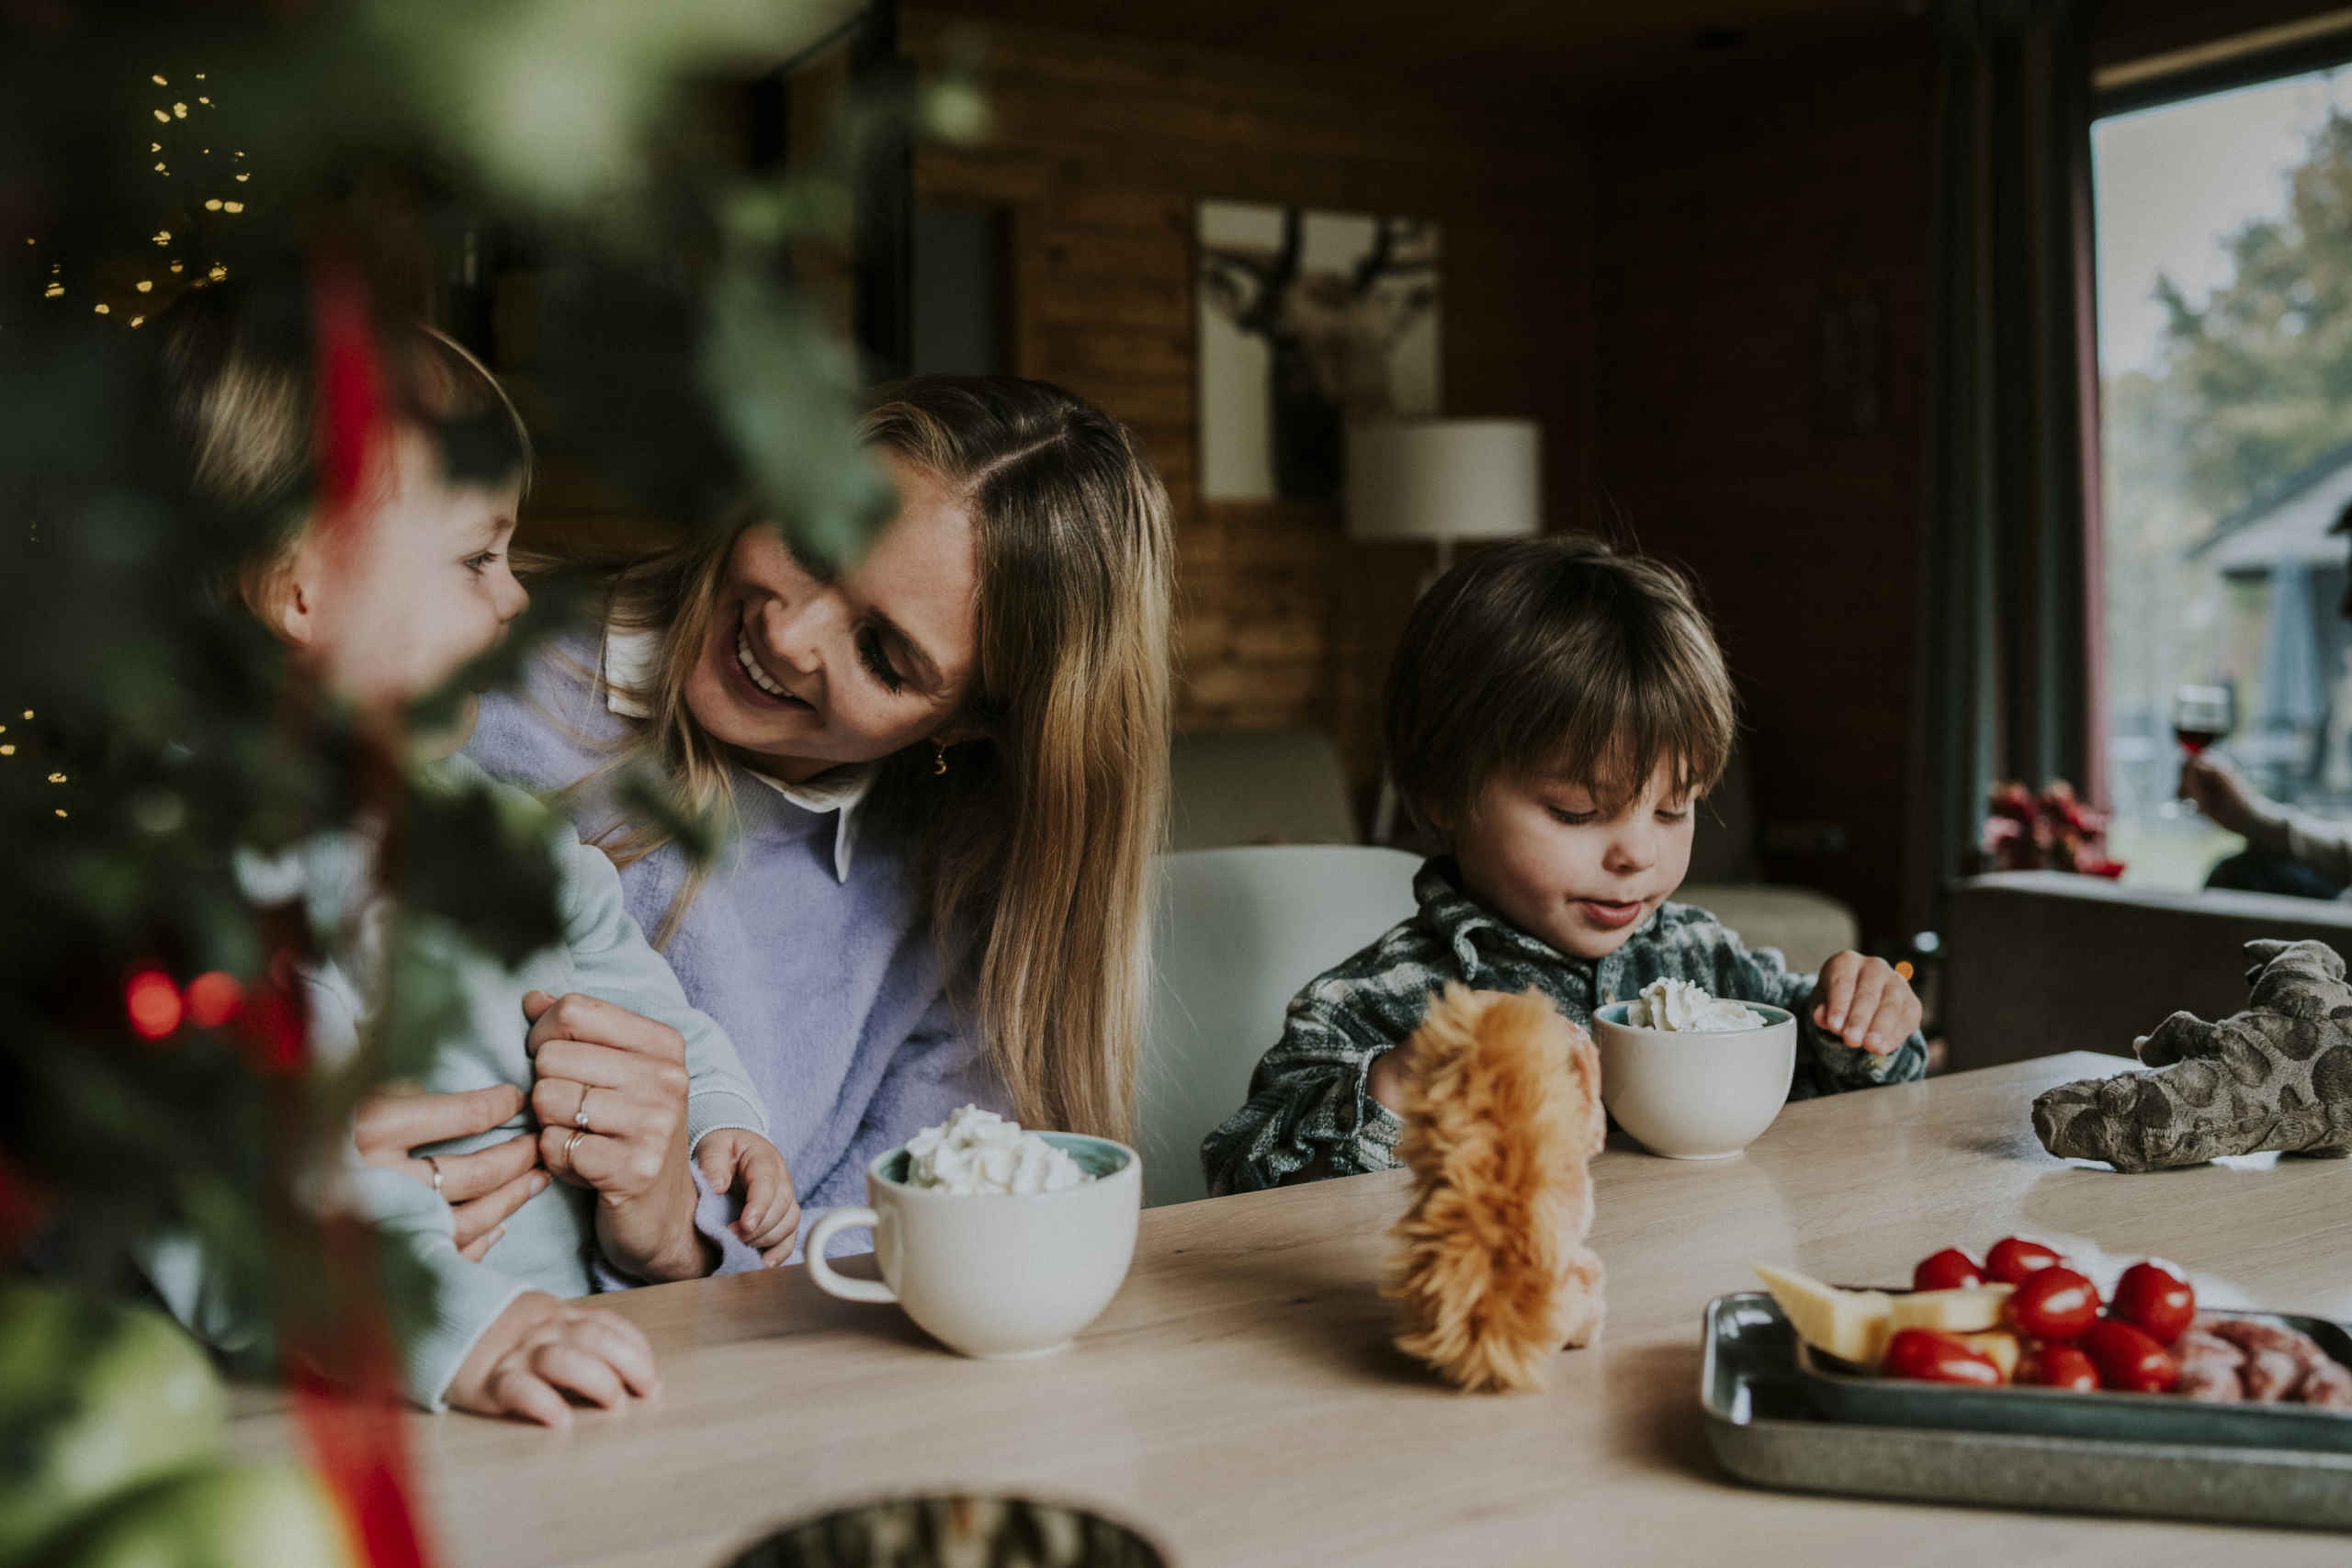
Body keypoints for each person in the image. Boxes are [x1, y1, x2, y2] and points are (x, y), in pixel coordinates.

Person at [141, 284, 796, 1423]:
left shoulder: (502, 827)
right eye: (475, 559)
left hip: (569, 1373)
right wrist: (478, 1336)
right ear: (304, 590)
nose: (513, 599)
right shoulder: (206, 873)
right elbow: (234, 1199)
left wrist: (722, 1116)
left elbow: (646, 1010)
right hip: (374, 1417)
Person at [462, 375, 1175, 1230]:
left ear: (974, 727)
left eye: (881, 653)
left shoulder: (956, 914)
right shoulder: (463, 659)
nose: (788, 633)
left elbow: (880, 1258)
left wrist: (685, 1243)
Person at [1202, 537, 1926, 1196]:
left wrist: (1863, 1025)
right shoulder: (1373, 1002)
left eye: (1675, 809)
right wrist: (1399, 1089)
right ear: (1443, 793)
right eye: (1578, 813)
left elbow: (1865, 1109)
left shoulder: (1709, 966)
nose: (1638, 853)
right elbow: (1240, 1178)